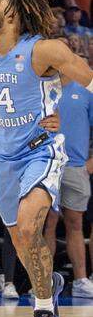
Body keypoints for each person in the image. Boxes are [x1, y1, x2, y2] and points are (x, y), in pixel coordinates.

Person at [0, 0, 93, 317]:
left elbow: (87, 80)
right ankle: (50, 288)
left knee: (29, 227)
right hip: (6, 157)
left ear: (10, 10)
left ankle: (43, 312)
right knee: (22, 242)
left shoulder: (44, 49)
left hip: (41, 150)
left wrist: (58, 106)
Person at [48, 80, 93, 298]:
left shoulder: (85, 91)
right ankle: (44, 281)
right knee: (48, 222)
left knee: (75, 223)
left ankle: (81, 280)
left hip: (76, 166)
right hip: (47, 163)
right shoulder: (41, 86)